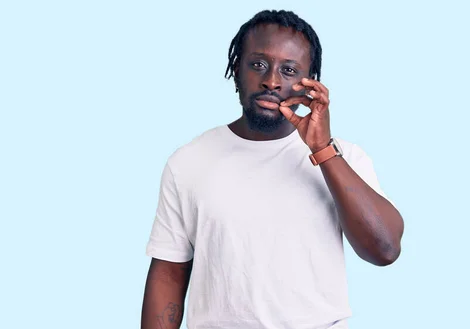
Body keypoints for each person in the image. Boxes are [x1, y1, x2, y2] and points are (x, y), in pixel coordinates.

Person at [141, 9, 404, 329]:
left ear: (310, 84)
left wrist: (322, 151)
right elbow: (169, 272)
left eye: (289, 70)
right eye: (258, 64)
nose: (272, 80)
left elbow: (385, 250)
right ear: (236, 68)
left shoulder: (345, 156)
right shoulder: (189, 161)